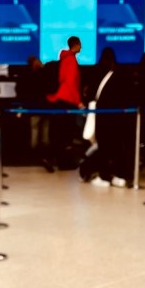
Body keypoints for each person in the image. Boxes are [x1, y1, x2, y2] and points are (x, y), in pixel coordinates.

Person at [82, 47, 131, 187]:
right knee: (117, 147)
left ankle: (104, 177)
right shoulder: (119, 73)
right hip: (117, 117)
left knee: (103, 148)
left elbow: (91, 92)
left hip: (102, 116)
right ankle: (119, 176)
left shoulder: (96, 71)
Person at [45, 35, 84, 170]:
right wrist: (78, 102)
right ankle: (62, 162)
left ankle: (53, 160)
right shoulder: (71, 60)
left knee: (59, 133)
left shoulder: (65, 58)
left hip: (61, 99)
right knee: (65, 135)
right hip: (67, 100)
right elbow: (71, 83)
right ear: (76, 44)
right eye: (80, 44)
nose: (81, 47)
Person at [16, 55, 52, 167]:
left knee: (34, 132)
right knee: (45, 134)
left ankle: (34, 156)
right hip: (45, 107)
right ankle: (45, 155)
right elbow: (50, 89)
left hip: (33, 108)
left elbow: (20, 90)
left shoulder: (25, 76)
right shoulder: (45, 75)